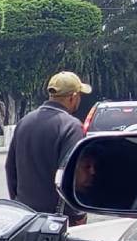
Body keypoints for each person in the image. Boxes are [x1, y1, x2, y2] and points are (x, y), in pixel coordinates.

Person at [6, 71, 91, 223]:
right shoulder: (71, 126)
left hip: (25, 217)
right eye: (79, 96)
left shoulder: (24, 122)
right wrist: (77, 214)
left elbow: (10, 168)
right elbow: (71, 174)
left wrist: (18, 203)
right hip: (58, 220)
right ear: (73, 97)